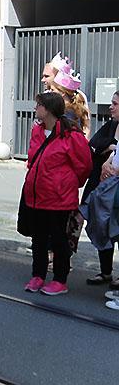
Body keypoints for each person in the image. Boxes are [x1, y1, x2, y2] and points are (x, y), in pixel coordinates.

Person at [22, 92, 92, 296]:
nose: (35, 108)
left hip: (59, 198)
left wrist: (69, 184)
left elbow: (84, 165)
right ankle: (38, 275)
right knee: (39, 239)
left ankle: (60, 280)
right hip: (36, 195)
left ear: (49, 109)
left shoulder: (71, 135)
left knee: (60, 240)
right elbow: (32, 159)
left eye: (39, 105)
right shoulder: (37, 131)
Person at [82, 91, 119, 288]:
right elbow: (94, 144)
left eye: (115, 104)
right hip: (104, 185)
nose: (111, 107)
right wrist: (111, 146)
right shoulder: (112, 125)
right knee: (102, 225)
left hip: (116, 186)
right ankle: (106, 272)